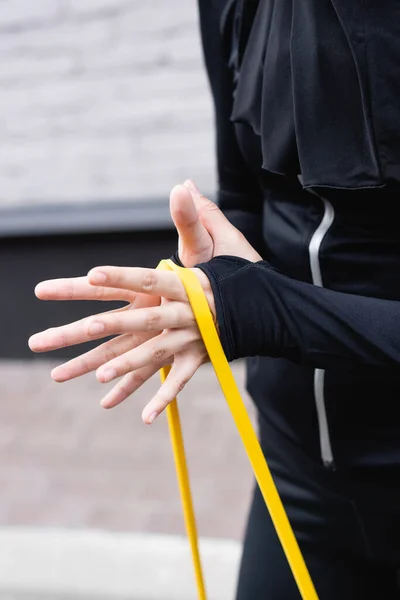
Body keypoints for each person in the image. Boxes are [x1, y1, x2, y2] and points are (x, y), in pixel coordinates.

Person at [29, 0, 400, 597]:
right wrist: (199, 293)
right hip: (294, 473)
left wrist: (275, 315)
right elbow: (243, 197)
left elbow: (271, 311)